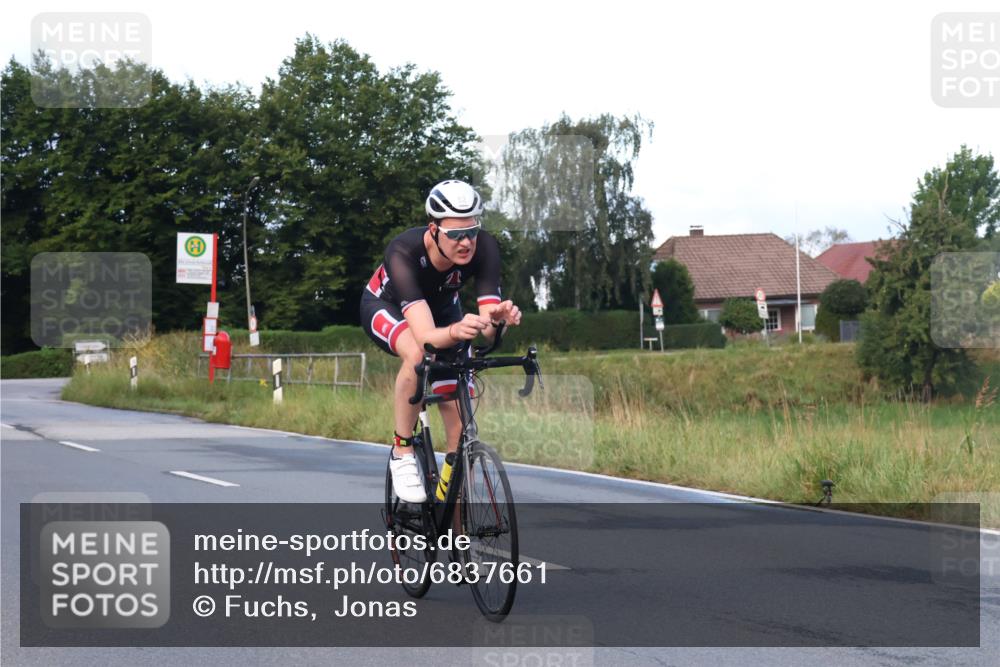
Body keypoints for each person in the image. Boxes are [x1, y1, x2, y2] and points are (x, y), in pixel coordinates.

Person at [360, 180, 522, 502]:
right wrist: (454, 332)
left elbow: (487, 328)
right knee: (419, 355)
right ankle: (402, 451)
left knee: (460, 424)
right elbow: (426, 337)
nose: (466, 243)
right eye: (455, 235)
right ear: (434, 229)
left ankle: (452, 515)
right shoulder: (403, 251)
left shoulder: (485, 247)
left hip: (444, 311)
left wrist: (497, 321)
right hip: (388, 307)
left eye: (472, 232)